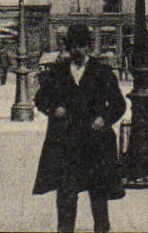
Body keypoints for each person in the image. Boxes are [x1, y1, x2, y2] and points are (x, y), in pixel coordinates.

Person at [33, 24, 126, 233]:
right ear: (68, 47)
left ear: (89, 47)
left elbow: (119, 104)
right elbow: (40, 98)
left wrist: (105, 118)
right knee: (66, 197)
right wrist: (52, 108)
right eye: (74, 46)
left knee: (99, 197)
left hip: (96, 145)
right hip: (66, 146)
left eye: (82, 46)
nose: (78, 51)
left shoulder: (102, 72)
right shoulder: (57, 72)